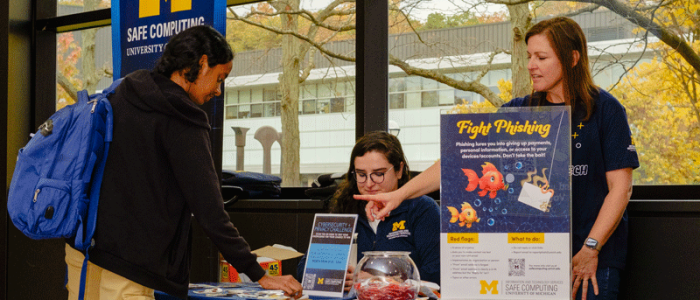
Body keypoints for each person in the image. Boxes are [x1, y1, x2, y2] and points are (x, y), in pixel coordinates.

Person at [356, 17, 638, 300]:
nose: (531, 65)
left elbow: (620, 189)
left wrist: (591, 247)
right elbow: (456, 162)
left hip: (590, 258)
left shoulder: (606, 110)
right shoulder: (518, 111)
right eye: (529, 56)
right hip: (533, 257)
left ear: (573, 58)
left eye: (541, 57)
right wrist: (398, 195)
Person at [64, 25, 303, 300]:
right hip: (129, 265)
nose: (218, 90)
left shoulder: (121, 93)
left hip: (83, 249)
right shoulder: (183, 118)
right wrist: (259, 274)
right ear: (202, 63)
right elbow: (210, 212)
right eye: (219, 78)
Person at [297, 131, 441, 291]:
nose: (369, 184)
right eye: (361, 174)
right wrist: (332, 276)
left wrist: (379, 280)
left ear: (399, 170)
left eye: (378, 174)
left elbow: (436, 274)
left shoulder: (422, 209)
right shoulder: (346, 208)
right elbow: (304, 270)